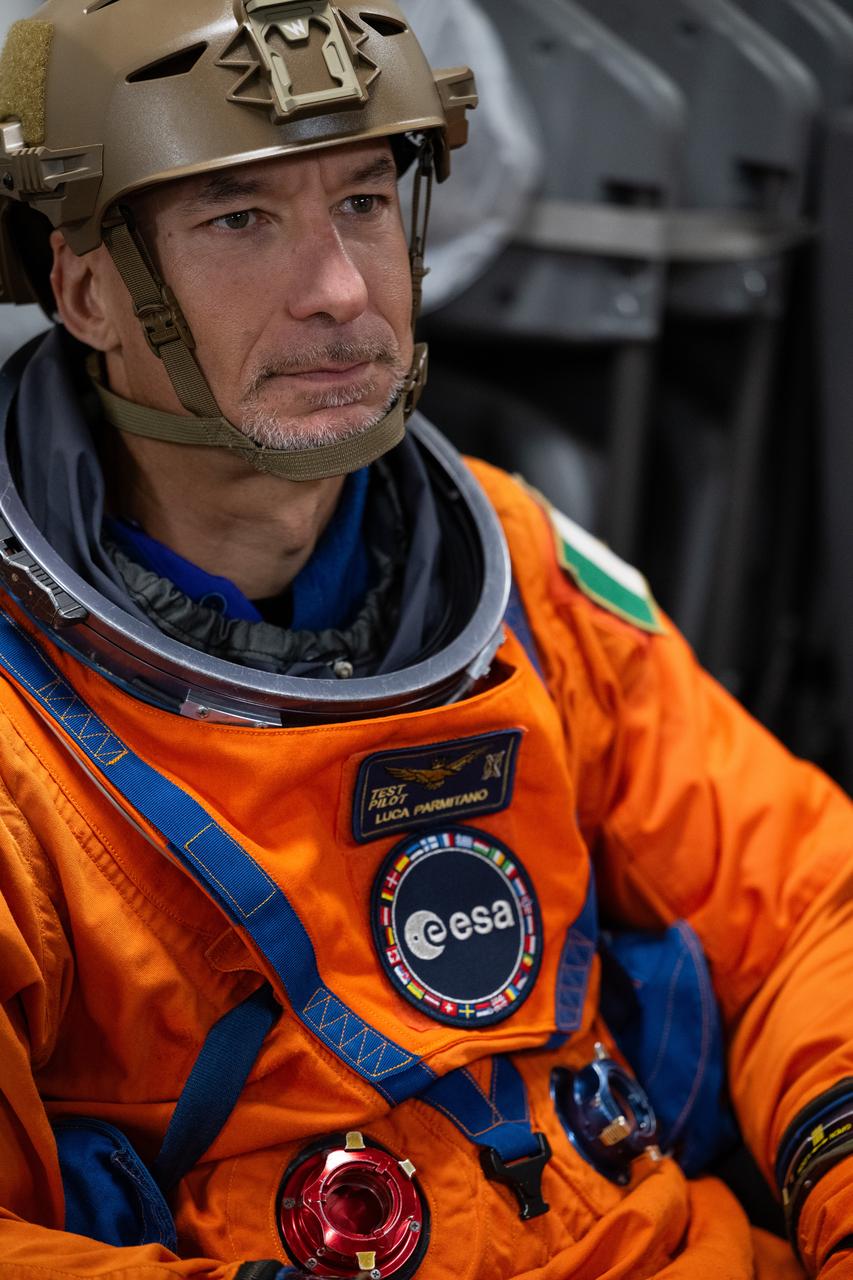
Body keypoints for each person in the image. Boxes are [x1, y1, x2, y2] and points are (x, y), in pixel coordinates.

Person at [0, 3, 851, 1278]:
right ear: (84, 286)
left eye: (360, 200)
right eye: (241, 219)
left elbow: (802, 900)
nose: (341, 289)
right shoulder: (26, 746)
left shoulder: (521, 570)